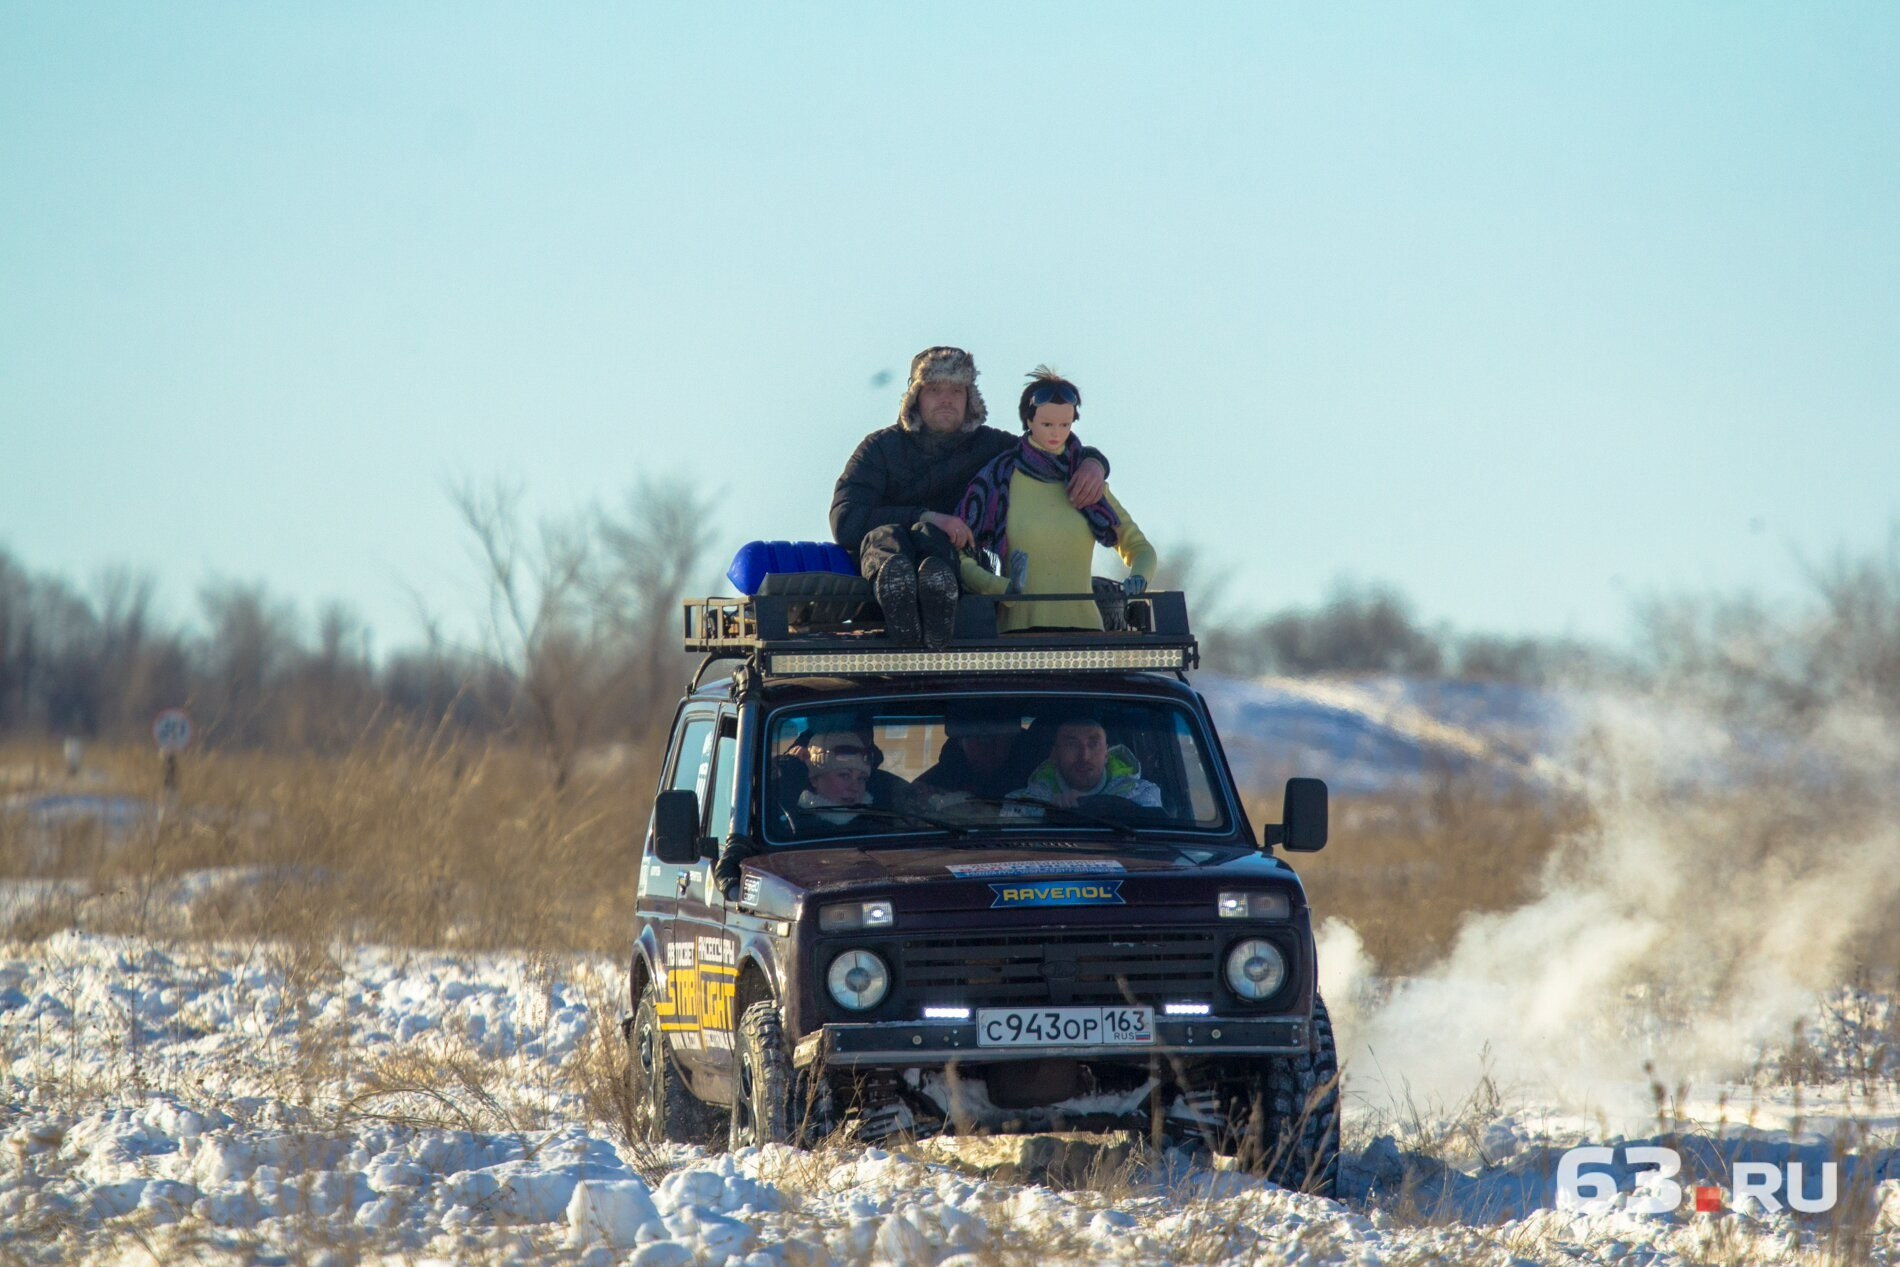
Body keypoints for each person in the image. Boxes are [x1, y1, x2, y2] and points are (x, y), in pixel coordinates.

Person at [831, 347, 1112, 648]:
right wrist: (926, 516)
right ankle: (898, 593)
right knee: (889, 537)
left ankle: (938, 592)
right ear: (915, 397)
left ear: (970, 398)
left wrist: (1093, 463)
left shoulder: (992, 448)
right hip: (882, 590)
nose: (946, 399)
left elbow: (1048, 452)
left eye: (956, 390)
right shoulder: (880, 449)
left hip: (962, 584)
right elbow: (846, 518)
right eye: (935, 389)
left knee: (934, 540)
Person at [956, 367, 1157, 633]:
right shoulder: (998, 479)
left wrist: (1138, 580)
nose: (1056, 433)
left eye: (1065, 425)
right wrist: (1003, 588)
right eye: (1047, 424)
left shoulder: (1087, 482)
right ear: (1028, 421)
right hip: (1016, 638)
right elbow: (958, 554)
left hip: (1087, 637)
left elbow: (1140, 548)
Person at [1011, 715, 1162, 810]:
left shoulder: (1140, 793)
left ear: (1106, 754)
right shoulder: (1028, 800)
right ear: (1055, 754)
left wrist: (1096, 806)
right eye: (1072, 745)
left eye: (1093, 744)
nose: (1084, 756)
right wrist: (1048, 812)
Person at [913, 709, 1028, 803]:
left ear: (1012, 739)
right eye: (980, 738)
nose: (989, 745)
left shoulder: (1036, 776)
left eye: (998, 736)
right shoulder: (933, 784)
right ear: (960, 742)